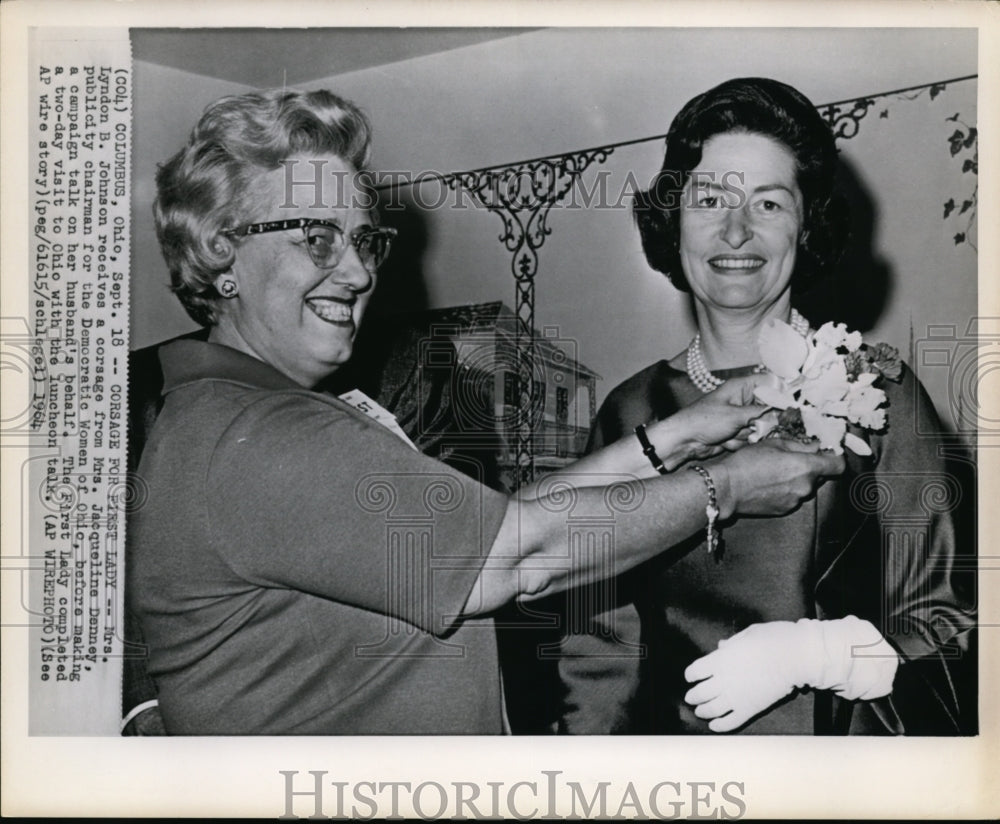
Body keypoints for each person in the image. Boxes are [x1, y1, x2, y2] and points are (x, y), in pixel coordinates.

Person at [126, 88, 844, 735]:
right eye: (317, 237)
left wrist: (678, 433)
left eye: (363, 238)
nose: (357, 271)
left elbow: (499, 528)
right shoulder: (263, 441)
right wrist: (730, 486)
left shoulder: (257, 416)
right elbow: (519, 558)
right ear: (221, 252)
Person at [555, 77, 976, 735]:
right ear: (674, 217)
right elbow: (597, 660)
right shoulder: (630, 413)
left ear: (807, 225)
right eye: (711, 199)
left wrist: (827, 656)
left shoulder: (881, 393)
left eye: (769, 203)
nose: (736, 231)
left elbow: (952, 629)